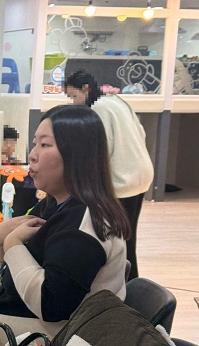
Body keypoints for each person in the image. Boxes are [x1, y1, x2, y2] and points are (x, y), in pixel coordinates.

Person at [0, 105, 129, 346]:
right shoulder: (53, 205)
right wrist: (1, 243)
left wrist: (12, 245)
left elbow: (50, 305)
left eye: (45, 145)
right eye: (34, 144)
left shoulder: (85, 225)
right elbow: (18, 279)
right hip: (15, 344)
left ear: (77, 154)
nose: (32, 155)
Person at [65, 69, 154, 281]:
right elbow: (141, 133)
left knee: (120, 242)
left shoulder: (99, 109)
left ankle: (125, 288)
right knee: (128, 238)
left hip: (123, 181)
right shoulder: (117, 101)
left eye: (74, 96)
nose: (74, 103)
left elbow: (101, 150)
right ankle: (131, 285)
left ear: (86, 89)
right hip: (141, 174)